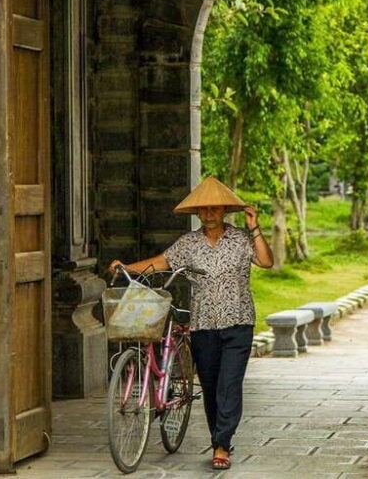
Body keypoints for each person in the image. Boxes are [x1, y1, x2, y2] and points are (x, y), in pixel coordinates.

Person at [109, 176, 274, 470]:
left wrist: (255, 228)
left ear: (224, 210)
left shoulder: (240, 239)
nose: (209, 213)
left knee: (229, 384)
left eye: (215, 208)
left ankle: (222, 445)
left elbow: (265, 261)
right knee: (211, 386)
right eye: (204, 209)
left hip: (239, 323)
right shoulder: (188, 243)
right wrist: (125, 267)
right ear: (197, 213)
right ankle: (218, 439)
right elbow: (161, 262)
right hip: (203, 326)